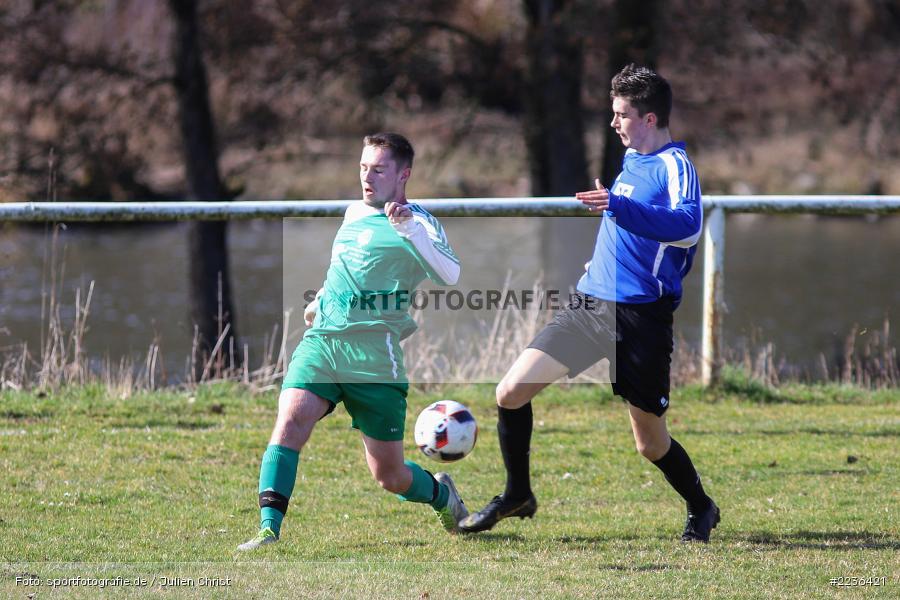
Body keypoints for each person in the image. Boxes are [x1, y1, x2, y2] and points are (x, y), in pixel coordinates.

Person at [459, 64, 720, 542]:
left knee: (650, 442)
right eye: (614, 112)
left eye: (622, 114)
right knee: (509, 392)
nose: (614, 122)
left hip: (640, 318)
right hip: (589, 305)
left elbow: (687, 226)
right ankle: (518, 493)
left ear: (650, 118)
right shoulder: (632, 162)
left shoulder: (675, 165)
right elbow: (623, 231)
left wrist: (617, 207)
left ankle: (701, 507)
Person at [239, 132, 467, 550]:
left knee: (390, 475)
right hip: (324, 342)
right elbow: (346, 265)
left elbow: (450, 274)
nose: (367, 177)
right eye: (363, 167)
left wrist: (409, 232)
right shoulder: (352, 213)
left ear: (404, 174)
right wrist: (322, 299)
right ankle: (268, 530)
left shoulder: (418, 221)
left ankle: (441, 494)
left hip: (374, 357)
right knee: (290, 419)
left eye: (378, 169)